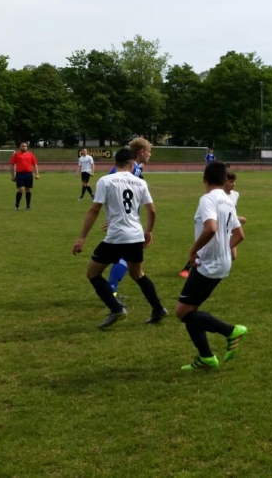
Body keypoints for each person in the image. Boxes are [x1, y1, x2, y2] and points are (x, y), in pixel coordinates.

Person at [72, 148, 167, 329]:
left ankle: (116, 309)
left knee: (93, 273)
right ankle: (158, 309)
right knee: (138, 274)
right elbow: (152, 211)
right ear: (131, 164)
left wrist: (82, 237)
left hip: (115, 237)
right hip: (135, 236)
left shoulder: (105, 181)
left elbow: (94, 210)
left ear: (115, 163)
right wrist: (148, 232)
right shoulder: (140, 182)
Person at [176, 160, 248, 371]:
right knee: (192, 311)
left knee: (182, 312)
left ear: (204, 179)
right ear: (225, 180)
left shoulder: (207, 199)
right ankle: (206, 357)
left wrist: (193, 251)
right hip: (221, 263)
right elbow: (239, 235)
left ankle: (231, 331)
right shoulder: (227, 200)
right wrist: (224, 249)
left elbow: (211, 228)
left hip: (208, 265)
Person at [180, 170, 246, 277]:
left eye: (234, 182)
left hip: (227, 227)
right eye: (230, 181)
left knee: (232, 255)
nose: (233, 184)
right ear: (224, 181)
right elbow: (213, 222)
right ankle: (188, 267)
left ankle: (212, 259)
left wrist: (236, 219)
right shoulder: (213, 197)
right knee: (206, 248)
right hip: (217, 224)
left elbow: (231, 212)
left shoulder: (235, 195)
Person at [106, 138, 151, 294]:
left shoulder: (129, 169)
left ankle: (112, 289)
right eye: (149, 151)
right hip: (127, 222)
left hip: (123, 219)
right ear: (141, 152)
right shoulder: (134, 170)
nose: (150, 154)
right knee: (126, 257)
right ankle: (111, 288)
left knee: (123, 255)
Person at [9, 142, 40, 211]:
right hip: (19, 174)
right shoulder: (16, 155)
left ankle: (28, 206)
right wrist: (12, 175)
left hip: (28, 174)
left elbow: (35, 164)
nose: (24, 147)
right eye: (22, 146)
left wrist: (37, 174)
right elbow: (11, 165)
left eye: (25, 146)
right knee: (21, 189)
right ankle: (17, 205)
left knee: (28, 190)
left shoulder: (30, 154)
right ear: (20, 147)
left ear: (27, 147)